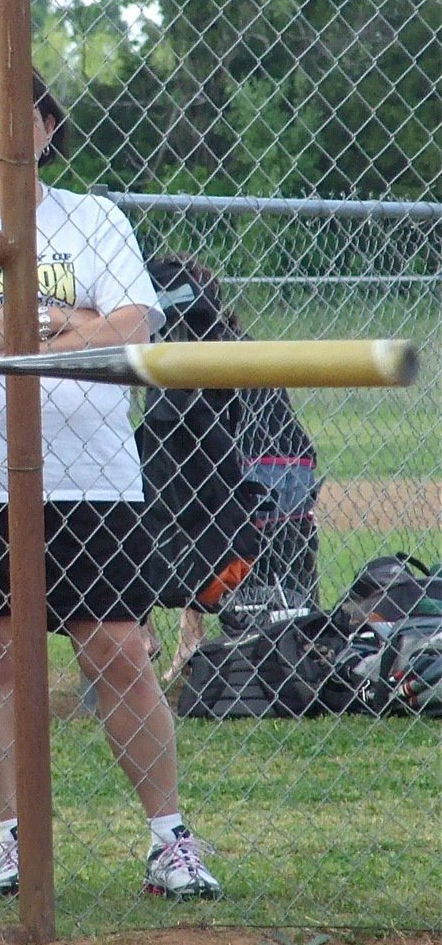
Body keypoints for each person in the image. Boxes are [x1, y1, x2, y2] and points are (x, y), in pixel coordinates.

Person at [0, 57, 222, 902]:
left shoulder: (96, 218)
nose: (10, 130)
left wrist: (28, 336)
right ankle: (14, 839)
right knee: (0, 650)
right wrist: (67, 327)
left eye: (27, 114)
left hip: (92, 469)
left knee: (117, 646)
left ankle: (168, 838)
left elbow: (133, 322)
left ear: (50, 131)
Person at [143, 255, 320, 680]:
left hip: (250, 479)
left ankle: (156, 638)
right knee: (190, 506)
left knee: (157, 509)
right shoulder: (237, 342)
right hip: (293, 473)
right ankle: (190, 638)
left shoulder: (182, 360)